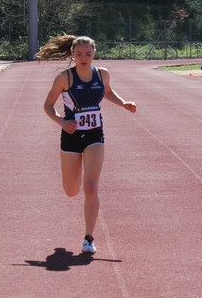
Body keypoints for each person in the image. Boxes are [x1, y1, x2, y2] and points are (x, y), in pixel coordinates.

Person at [39, 35, 137, 255]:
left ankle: (88, 238)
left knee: (91, 186)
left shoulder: (102, 74)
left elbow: (108, 92)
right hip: (71, 137)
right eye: (79, 54)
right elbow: (47, 105)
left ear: (94, 53)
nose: (84, 57)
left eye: (88, 54)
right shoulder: (64, 78)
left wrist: (124, 104)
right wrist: (62, 122)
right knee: (72, 191)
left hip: (94, 135)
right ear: (72, 54)